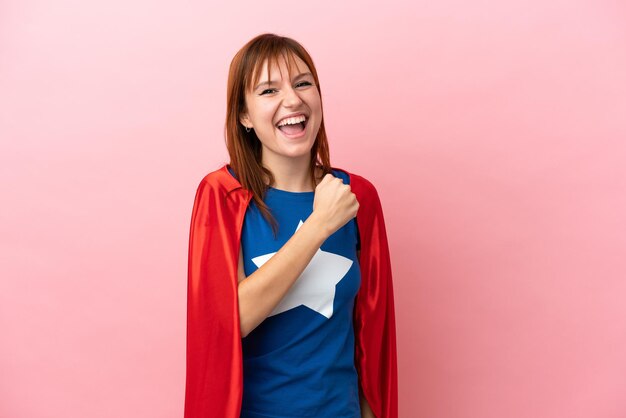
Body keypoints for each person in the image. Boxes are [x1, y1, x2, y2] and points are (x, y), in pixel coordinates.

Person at [184, 33, 398, 418]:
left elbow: (372, 337)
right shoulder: (223, 195)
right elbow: (231, 321)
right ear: (244, 116)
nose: (293, 99)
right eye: (269, 90)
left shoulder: (357, 196)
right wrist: (318, 226)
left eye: (303, 83)